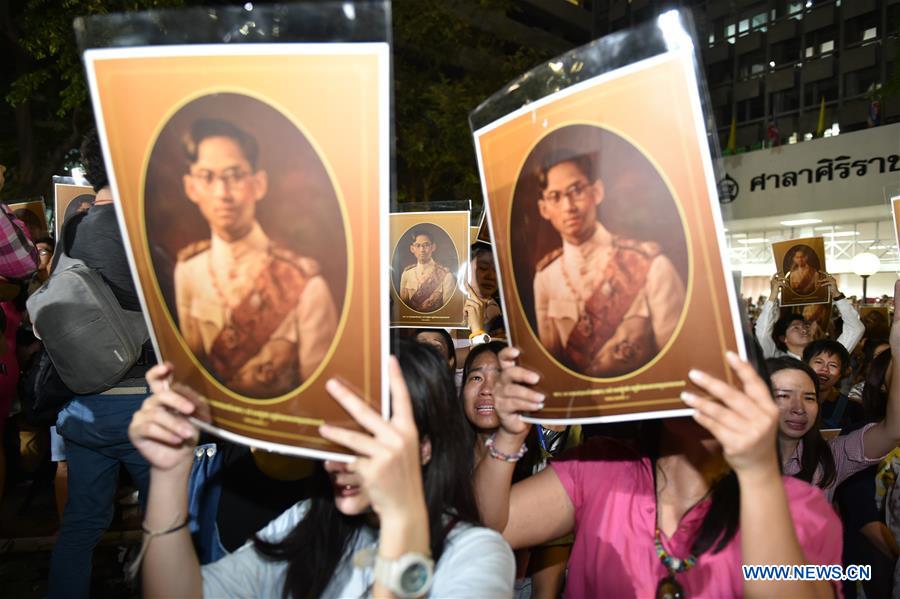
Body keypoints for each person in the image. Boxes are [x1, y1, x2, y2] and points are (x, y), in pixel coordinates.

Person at [128, 340, 514, 597]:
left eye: (364, 441)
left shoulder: (477, 554)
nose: (335, 461)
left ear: (424, 447)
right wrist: (168, 475)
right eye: (332, 439)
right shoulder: (308, 522)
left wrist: (402, 519)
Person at [475, 346, 841, 597]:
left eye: (722, 376)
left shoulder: (798, 507)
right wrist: (509, 435)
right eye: (685, 369)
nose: (701, 387)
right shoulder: (601, 470)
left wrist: (758, 472)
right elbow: (491, 527)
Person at [47, 129, 156, 599]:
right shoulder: (145, 232)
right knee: (168, 526)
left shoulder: (72, 230)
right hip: (147, 409)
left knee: (80, 528)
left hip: (85, 405)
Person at [173, 118, 338, 399]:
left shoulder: (306, 285)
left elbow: (320, 398)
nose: (222, 193)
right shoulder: (189, 271)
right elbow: (194, 369)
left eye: (235, 175)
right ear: (191, 188)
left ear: (258, 184)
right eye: (207, 177)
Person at [531, 149, 685, 378]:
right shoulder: (546, 278)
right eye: (555, 196)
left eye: (576, 190)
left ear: (597, 192)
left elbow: (677, 362)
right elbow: (553, 366)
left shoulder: (652, 266)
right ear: (544, 208)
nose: (568, 206)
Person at [769, 326, 900, 504]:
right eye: (784, 395)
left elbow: (893, 431)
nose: (799, 408)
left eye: (809, 397)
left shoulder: (829, 458)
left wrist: (898, 352)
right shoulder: (731, 461)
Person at [756, 272, 863, 360]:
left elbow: (855, 330)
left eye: (806, 326)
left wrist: (836, 294)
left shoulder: (824, 359)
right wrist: (773, 296)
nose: (804, 330)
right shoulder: (775, 358)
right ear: (783, 338)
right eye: (796, 327)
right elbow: (762, 333)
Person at [803, 340, 865, 430]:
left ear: (841, 373)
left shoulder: (852, 409)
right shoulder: (788, 401)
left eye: (833, 365)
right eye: (819, 362)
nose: (825, 369)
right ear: (806, 366)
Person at [398, 229, 455, 313]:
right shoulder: (407, 274)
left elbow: (449, 311)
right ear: (412, 249)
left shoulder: (446, 276)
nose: (422, 250)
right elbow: (403, 308)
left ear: (433, 247)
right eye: (418, 245)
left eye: (426, 245)